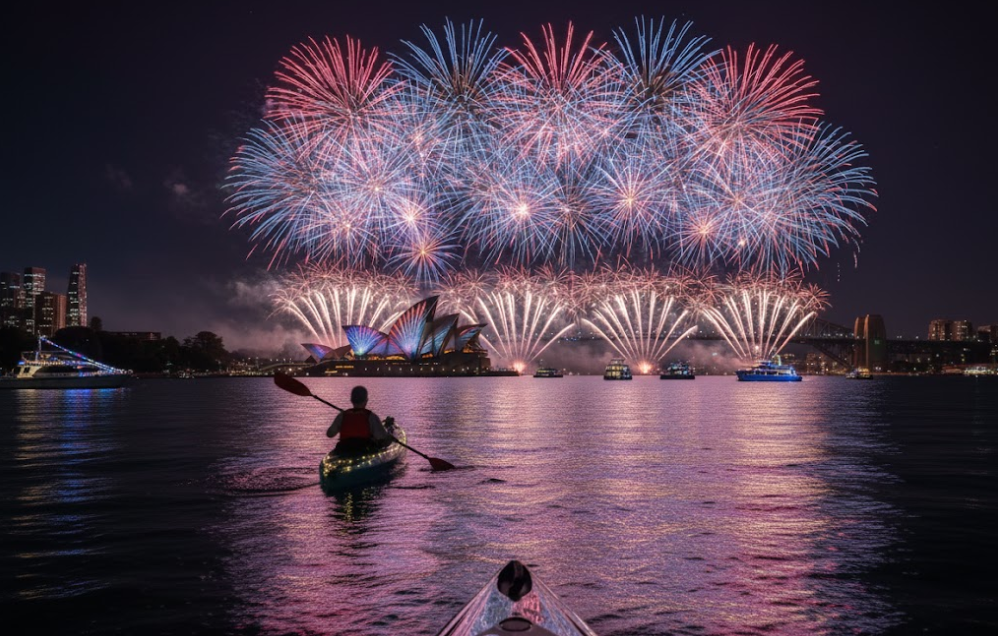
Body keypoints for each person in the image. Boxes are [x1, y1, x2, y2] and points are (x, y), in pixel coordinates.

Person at [326, 385, 392, 456]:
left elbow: (329, 434)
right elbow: (382, 438)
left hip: (343, 449)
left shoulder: (342, 415)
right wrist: (390, 438)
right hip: (364, 450)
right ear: (366, 401)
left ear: (351, 400)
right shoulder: (371, 416)